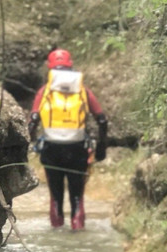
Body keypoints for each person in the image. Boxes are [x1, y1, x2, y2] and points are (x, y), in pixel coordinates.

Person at [28, 48, 108, 230]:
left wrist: (31, 142)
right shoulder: (83, 90)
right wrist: (102, 147)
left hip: (51, 149)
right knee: (77, 196)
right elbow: (102, 120)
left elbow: (33, 120)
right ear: (70, 64)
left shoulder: (44, 91)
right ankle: (78, 232)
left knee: (56, 196)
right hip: (78, 149)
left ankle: (56, 232)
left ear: (50, 67)